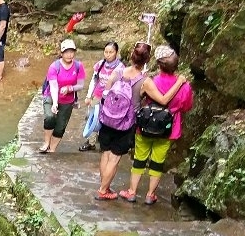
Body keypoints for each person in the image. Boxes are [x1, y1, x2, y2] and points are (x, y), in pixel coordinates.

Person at [119, 45, 193, 205]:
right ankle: (150, 195)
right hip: (169, 128)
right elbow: (187, 107)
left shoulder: (150, 81)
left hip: (145, 126)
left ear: (159, 65)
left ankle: (132, 192)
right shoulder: (184, 86)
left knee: (139, 158)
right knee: (158, 161)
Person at [95, 41, 150, 200]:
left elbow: (105, 95)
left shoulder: (117, 72)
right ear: (146, 60)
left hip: (107, 119)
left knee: (105, 153)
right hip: (125, 124)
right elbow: (161, 98)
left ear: (131, 56)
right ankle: (103, 190)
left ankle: (104, 186)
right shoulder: (144, 81)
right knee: (114, 157)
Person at [39, 38, 86, 153]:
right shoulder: (54, 67)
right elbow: (54, 86)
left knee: (60, 126)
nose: (70, 55)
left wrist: (70, 88)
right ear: (61, 53)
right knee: (50, 117)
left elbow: (80, 85)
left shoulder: (78, 66)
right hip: (51, 96)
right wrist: (55, 103)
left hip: (68, 100)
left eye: (72, 52)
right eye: (66, 52)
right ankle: (46, 142)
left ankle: (52, 149)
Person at [79, 41, 121, 152]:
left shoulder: (120, 68)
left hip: (112, 99)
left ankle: (106, 143)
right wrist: (88, 96)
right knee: (92, 117)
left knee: (108, 120)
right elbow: (94, 80)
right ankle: (91, 142)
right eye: (106, 52)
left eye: (111, 52)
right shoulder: (100, 64)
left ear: (116, 52)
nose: (108, 54)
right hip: (97, 95)